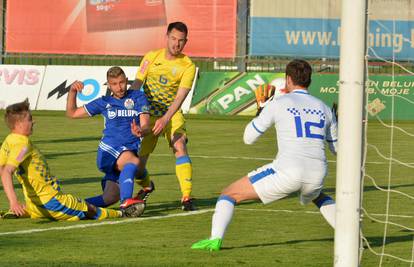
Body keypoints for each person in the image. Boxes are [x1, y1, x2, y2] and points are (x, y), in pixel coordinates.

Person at [191, 59, 337, 251]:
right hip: (317, 173)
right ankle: (351, 236)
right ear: (309, 80)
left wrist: (261, 110)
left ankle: (214, 239)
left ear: (287, 79)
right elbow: (338, 150)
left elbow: (248, 138)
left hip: (288, 171)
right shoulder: (324, 108)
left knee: (229, 194)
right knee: (317, 196)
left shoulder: (279, 103)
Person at [0, 99, 126, 220]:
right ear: (18, 124)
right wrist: (13, 202)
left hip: (34, 203)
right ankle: (122, 213)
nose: (34, 122)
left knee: (69, 205)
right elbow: (7, 171)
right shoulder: (23, 145)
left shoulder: (9, 140)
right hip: (51, 201)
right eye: (30, 119)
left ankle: (20, 212)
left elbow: (2, 168)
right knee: (88, 209)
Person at [129, 21, 197, 211]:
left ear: (186, 42)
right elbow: (137, 84)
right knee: (137, 167)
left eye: (181, 41)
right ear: (167, 37)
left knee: (179, 144)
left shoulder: (188, 66)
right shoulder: (151, 57)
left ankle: (186, 197)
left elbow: (180, 97)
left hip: (171, 115)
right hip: (148, 117)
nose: (177, 44)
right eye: (174, 39)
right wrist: (126, 109)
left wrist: (166, 118)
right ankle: (147, 187)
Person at [66, 66, 151, 216]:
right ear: (109, 85)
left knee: (110, 197)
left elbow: (146, 125)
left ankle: (73, 207)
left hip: (128, 151)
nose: (119, 87)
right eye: (115, 84)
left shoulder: (138, 97)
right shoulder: (104, 102)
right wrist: (72, 92)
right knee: (134, 163)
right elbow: (72, 113)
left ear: (126, 81)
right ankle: (127, 203)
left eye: (122, 82)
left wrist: (140, 130)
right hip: (108, 150)